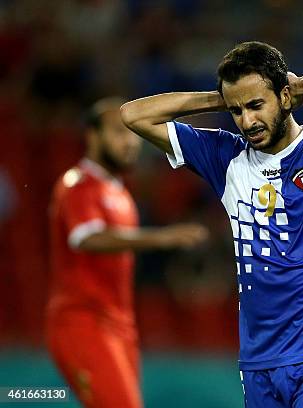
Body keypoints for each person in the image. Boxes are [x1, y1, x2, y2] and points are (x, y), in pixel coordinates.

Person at [121, 41, 303, 407]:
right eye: (237, 111)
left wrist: (295, 87)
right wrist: (221, 98)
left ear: (284, 97)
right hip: (261, 359)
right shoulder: (225, 157)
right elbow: (133, 115)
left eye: (256, 105)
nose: (247, 121)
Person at [46, 97, 207, 408]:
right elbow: (86, 238)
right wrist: (160, 239)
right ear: (93, 136)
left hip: (119, 325)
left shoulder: (118, 192)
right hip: (83, 322)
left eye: (133, 134)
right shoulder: (78, 185)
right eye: (119, 133)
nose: (130, 143)